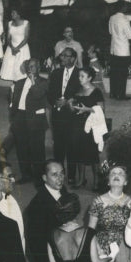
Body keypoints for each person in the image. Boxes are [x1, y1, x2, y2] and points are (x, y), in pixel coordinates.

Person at [6, 58, 48, 184]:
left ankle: (40, 177)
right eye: (28, 67)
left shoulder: (44, 82)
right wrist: (13, 116)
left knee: (37, 149)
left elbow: (37, 94)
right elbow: (12, 100)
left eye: (33, 66)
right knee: (22, 148)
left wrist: (33, 80)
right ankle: (26, 175)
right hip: (20, 117)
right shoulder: (19, 83)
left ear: (39, 68)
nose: (30, 69)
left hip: (35, 119)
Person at [67, 66, 107, 189]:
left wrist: (87, 109)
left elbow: (101, 109)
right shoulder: (77, 89)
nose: (79, 78)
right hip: (77, 124)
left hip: (91, 125)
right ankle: (81, 179)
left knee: (92, 153)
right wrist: (70, 105)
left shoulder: (96, 91)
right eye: (79, 76)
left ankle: (95, 181)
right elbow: (73, 108)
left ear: (89, 78)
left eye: (82, 76)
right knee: (78, 151)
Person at [48, 48, 83, 176]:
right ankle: (59, 175)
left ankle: (72, 176)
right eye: (62, 55)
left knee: (72, 146)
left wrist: (67, 101)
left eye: (65, 56)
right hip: (57, 114)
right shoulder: (56, 73)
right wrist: (54, 102)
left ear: (73, 59)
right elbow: (50, 92)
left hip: (72, 116)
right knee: (58, 147)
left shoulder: (80, 74)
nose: (62, 58)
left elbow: (82, 94)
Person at [0, 8, 31, 83]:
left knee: (21, 71)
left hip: (22, 49)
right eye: (11, 13)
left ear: (18, 14)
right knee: (12, 70)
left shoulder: (26, 23)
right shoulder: (10, 23)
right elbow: (8, 38)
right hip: (11, 49)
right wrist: (12, 48)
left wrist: (17, 48)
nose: (11, 15)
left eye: (13, 13)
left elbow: (26, 38)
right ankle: (14, 89)